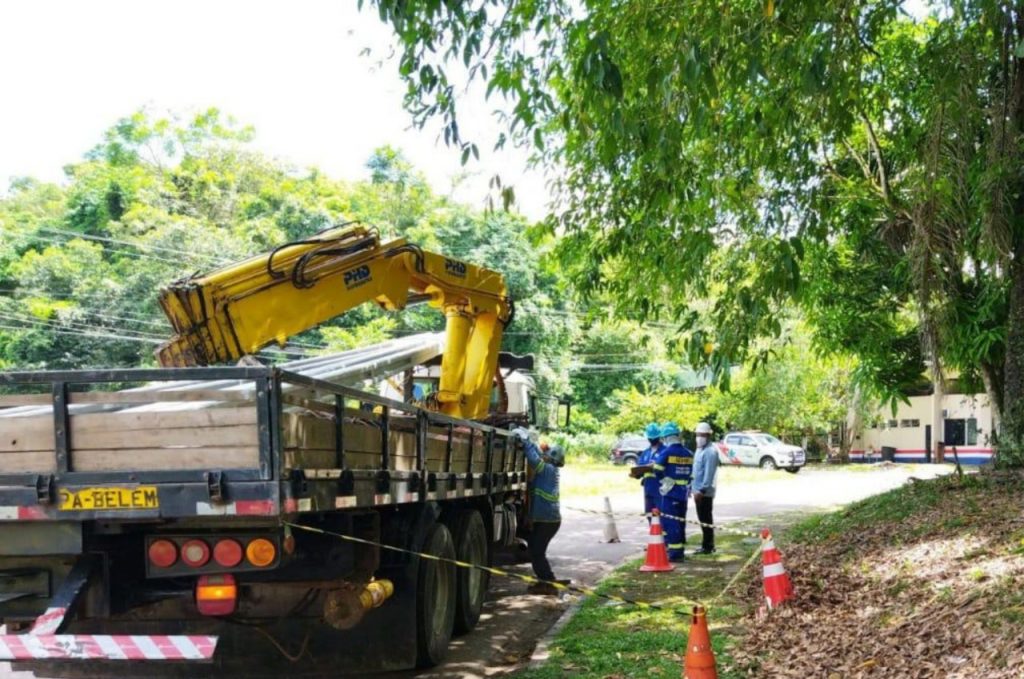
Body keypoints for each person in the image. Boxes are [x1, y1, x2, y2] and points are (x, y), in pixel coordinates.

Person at [512, 427, 565, 595]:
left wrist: (527, 442)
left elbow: (535, 460)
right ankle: (547, 579)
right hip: (546, 520)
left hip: (548, 521)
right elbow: (538, 455)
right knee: (534, 549)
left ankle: (547, 582)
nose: (545, 454)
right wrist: (531, 441)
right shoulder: (549, 470)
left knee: (537, 552)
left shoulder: (548, 470)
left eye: (548, 453)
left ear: (552, 457)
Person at [652, 421, 693, 562]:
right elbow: (691, 475)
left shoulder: (667, 452)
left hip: (670, 493)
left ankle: (674, 553)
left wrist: (665, 480)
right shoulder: (688, 453)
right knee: (681, 522)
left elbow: (657, 469)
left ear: (666, 438)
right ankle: (680, 551)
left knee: (670, 522)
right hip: (683, 493)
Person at [691, 421, 719, 555]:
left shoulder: (710, 452)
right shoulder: (699, 450)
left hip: (704, 493)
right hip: (697, 491)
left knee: (706, 519)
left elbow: (709, 474)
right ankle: (705, 544)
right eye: (698, 434)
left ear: (708, 436)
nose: (699, 437)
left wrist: (702, 490)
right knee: (702, 519)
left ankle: (708, 546)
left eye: (702, 435)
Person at [634, 422, 663, 520]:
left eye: (653, 438)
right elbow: (639, 467)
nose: (652, 440)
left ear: (659, 437)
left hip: (660, 490)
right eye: (650, 438)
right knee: (650, 516)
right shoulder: (646, 453)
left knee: (661, 518)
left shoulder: (665, 451)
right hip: (648, 489)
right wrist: (636, 473)